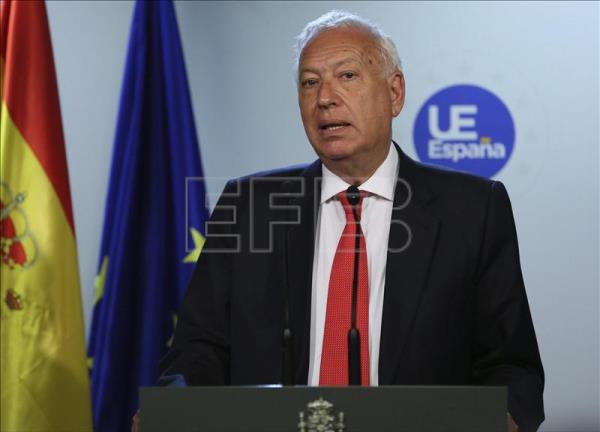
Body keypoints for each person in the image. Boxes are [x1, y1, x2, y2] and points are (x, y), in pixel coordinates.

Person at [158, 10, 544, 432]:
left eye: (346, 76)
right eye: (309, 82)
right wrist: (173, 408)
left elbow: (512, 364)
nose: (324, 97)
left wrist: (505, 420)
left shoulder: (472, 209)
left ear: (394, 92)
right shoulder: (249, 206)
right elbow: (197, 350)